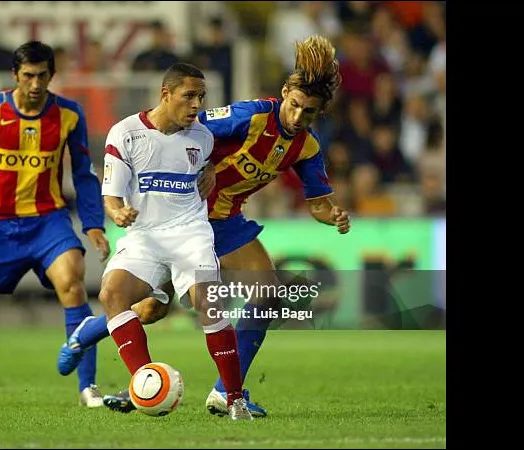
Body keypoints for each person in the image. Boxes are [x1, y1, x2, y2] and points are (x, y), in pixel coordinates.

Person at [57, 35, 350, 417]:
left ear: (319, 113)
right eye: (294, 105)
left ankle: (224, 391)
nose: (297, 118)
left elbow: (318, 203)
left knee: (266, 295)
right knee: (151, 309)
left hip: (224, 222)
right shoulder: (250, 116)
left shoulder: (306, 146)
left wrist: (333, 215)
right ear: (283, 94)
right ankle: (96, 338)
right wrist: (203, 163)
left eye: (308, 113)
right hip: (178, 215)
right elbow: (189, 125)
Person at [0, 41, 111, 409]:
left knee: (73, 281)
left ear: (52, 75)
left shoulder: (69, 115)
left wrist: (93, 223)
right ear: (15, 75)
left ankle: (88, 388)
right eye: (28, 75)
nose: (35, 84)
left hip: (49, 221)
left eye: (42, 75)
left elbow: (83, 173)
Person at [94, 62, 253, 420]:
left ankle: (235, 399)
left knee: (210, 304)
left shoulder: (203, 137)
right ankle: (146, 383)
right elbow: (111, 193)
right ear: (166, 94)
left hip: (190, 235)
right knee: (112, 295)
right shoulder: (125, 133)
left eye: (201, 97)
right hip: (144, 237)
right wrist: (117, 212)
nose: (197, 105)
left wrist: (212, 170)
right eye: (189, 96)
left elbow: (218, 157)